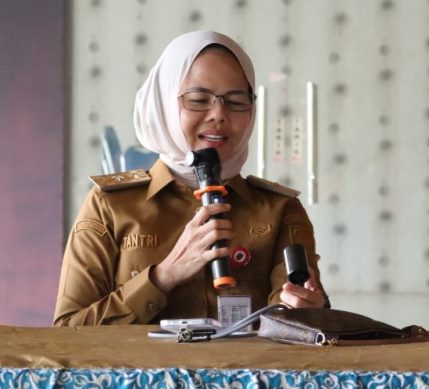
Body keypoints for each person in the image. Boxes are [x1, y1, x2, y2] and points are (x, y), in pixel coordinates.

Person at [54, 31, 328, 326]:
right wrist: (164, 275)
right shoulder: (110, 205)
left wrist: (304, 311)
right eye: (198, 100)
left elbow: (295, 321)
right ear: (163, 104)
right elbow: (69, 330)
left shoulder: (280, 209)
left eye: (237, 102)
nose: (219, 114)